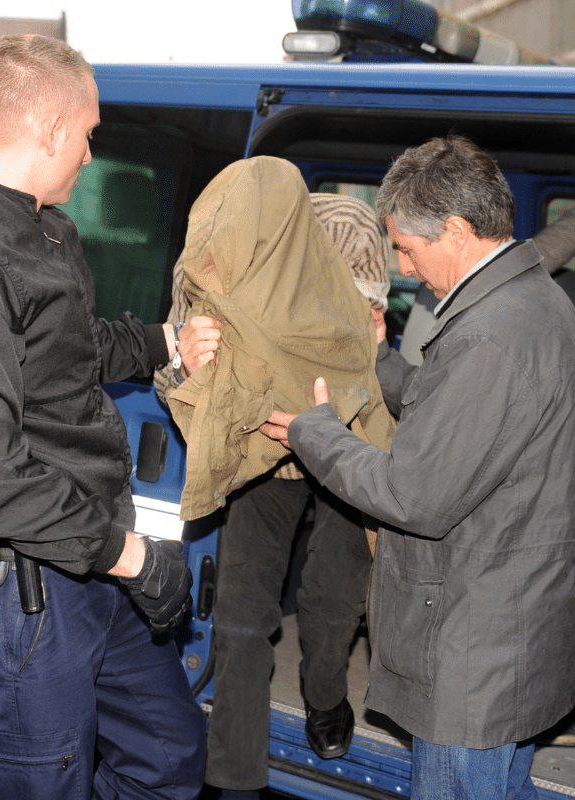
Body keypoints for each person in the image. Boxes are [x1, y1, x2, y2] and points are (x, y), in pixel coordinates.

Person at [0, 34, 218, 800]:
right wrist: (131, 558)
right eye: (88, 132)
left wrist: (164, 340)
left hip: (85, 554)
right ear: (52, 130)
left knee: (169, 749)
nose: (91, 154)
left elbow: (65, 346)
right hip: (31, 591)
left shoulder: (36, 226)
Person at [261, 135, 575, 800]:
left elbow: (409, 493)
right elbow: (462, 416)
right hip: (517, 640)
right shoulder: (532, 302)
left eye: (407, 248)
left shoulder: (487, 335)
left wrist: (314, 434)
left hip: (475, 661)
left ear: (454, 229)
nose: (404, 267)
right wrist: (375, 361)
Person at [154, 189, 389, 799]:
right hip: (263, 457)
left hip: (344, 437)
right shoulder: (222, 253)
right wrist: (185, 363)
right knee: (240, 617)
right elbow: (174, 378)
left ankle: (324, 698)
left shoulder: (351, 228)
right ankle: (234, 783)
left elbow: (367, 342)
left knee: (333, 595)